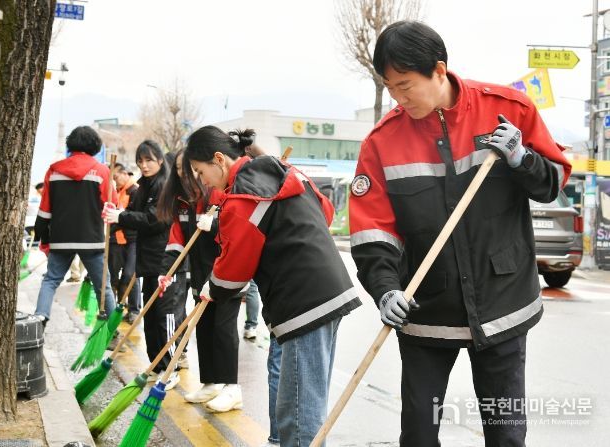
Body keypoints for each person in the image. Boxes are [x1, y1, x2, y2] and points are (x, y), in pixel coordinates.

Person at [349, 21, 572, 446]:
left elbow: (551, 183)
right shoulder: (382, 142)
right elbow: (372, 230)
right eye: (389, 87)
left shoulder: (508, 110)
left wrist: (521, 158)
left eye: (405, 85)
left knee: (505, 435)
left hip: (502, 303)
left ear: (438, 70)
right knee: (418, 433)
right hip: (424, 311)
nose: (398, 98)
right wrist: (385, 289)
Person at [184, 125, 362, 446]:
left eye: (200, 171)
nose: (202, 181)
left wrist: (213, 287)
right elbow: (326, 210)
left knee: (299, 413)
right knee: (302, 402)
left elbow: (232, 274)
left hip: (301, 302)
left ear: (219, 159)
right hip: (328, 291)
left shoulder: (242, 198)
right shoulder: (284, 171)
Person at [156, 149, 244, 413]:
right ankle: (211, 382)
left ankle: (232, 388)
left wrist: (214, 225)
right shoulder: (182, 202)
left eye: (191, 168)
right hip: (199, 274)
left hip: (227, 273)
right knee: (203, 326)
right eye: (180, 169)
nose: (185, 174)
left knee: (223, 328)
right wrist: (166, 271)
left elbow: (236, 230)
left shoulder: (218, 193)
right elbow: (176, 241)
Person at [103, 140, 185, 390]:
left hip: (165, 261)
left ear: (160, 159)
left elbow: (156, 219)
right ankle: (156, 366)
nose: (144, 165)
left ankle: (170, 368)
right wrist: (117, 210)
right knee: (150, 316)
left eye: (149, 160)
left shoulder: (165, 185)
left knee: (164, 316)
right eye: (140, 161)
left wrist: (121, 216)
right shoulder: (144, 185)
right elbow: (133, 214)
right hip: (148, 260)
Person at [34, 126, 117, 327]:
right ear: (95, 146)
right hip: (92, 240)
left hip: (60, 239)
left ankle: (40, 318)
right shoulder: (102, 171)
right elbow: (112, 206)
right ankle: (111, 327)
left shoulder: (54, 171)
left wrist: (43, 239)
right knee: (103, 287)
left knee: (50, 280)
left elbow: (45, 210)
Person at [108, 162, 141, 322]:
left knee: (130, 275)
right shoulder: (116, 192)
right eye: (112, 178)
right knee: (114, 277)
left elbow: (131, 217)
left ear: (124, 173)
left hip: (133, 240)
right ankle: (117, 308)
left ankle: (134, 310)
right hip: (116, 240)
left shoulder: (136, 191)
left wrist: (119, 218)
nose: (115, 180)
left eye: (116, 177)